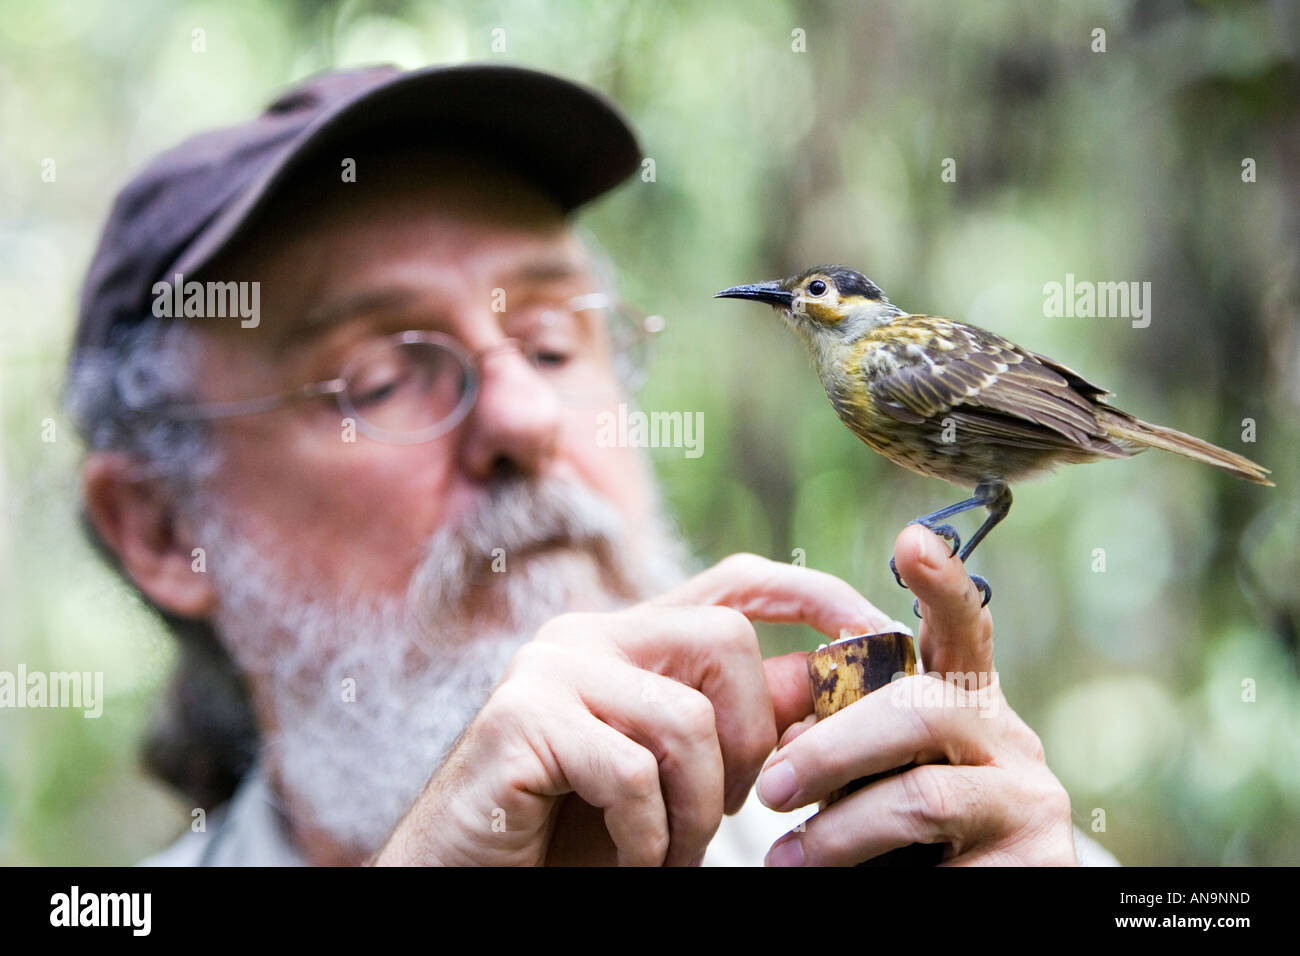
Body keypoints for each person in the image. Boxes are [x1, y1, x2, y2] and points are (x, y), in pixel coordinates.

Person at [65, 63, 1115, 866]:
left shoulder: (909, 836)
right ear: (162, 527)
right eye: (380, 379)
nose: (525, 415)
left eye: (556, 343)